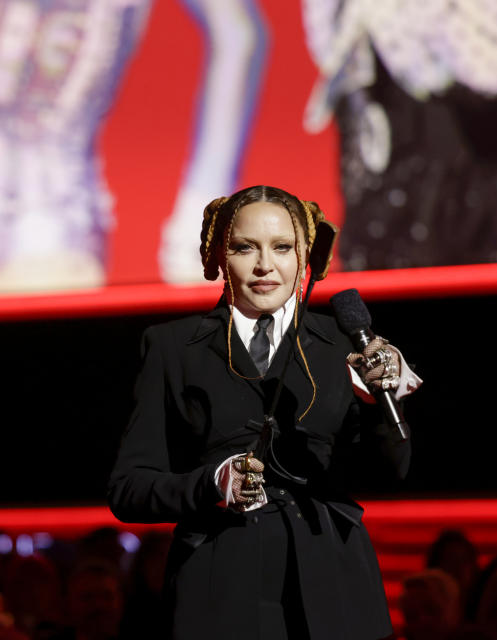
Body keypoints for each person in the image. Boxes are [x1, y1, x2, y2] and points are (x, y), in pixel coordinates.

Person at [108, 184, 421, 639]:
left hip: (333, 583)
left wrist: (378, 406)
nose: (264, 266)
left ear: (306, 256)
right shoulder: (172, 348)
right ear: (218, 255)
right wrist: (211, 482)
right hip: (220, 586)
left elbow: (389, 472)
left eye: (282, 247)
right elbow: (129, 487)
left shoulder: (346, 346)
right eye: (244, 248)